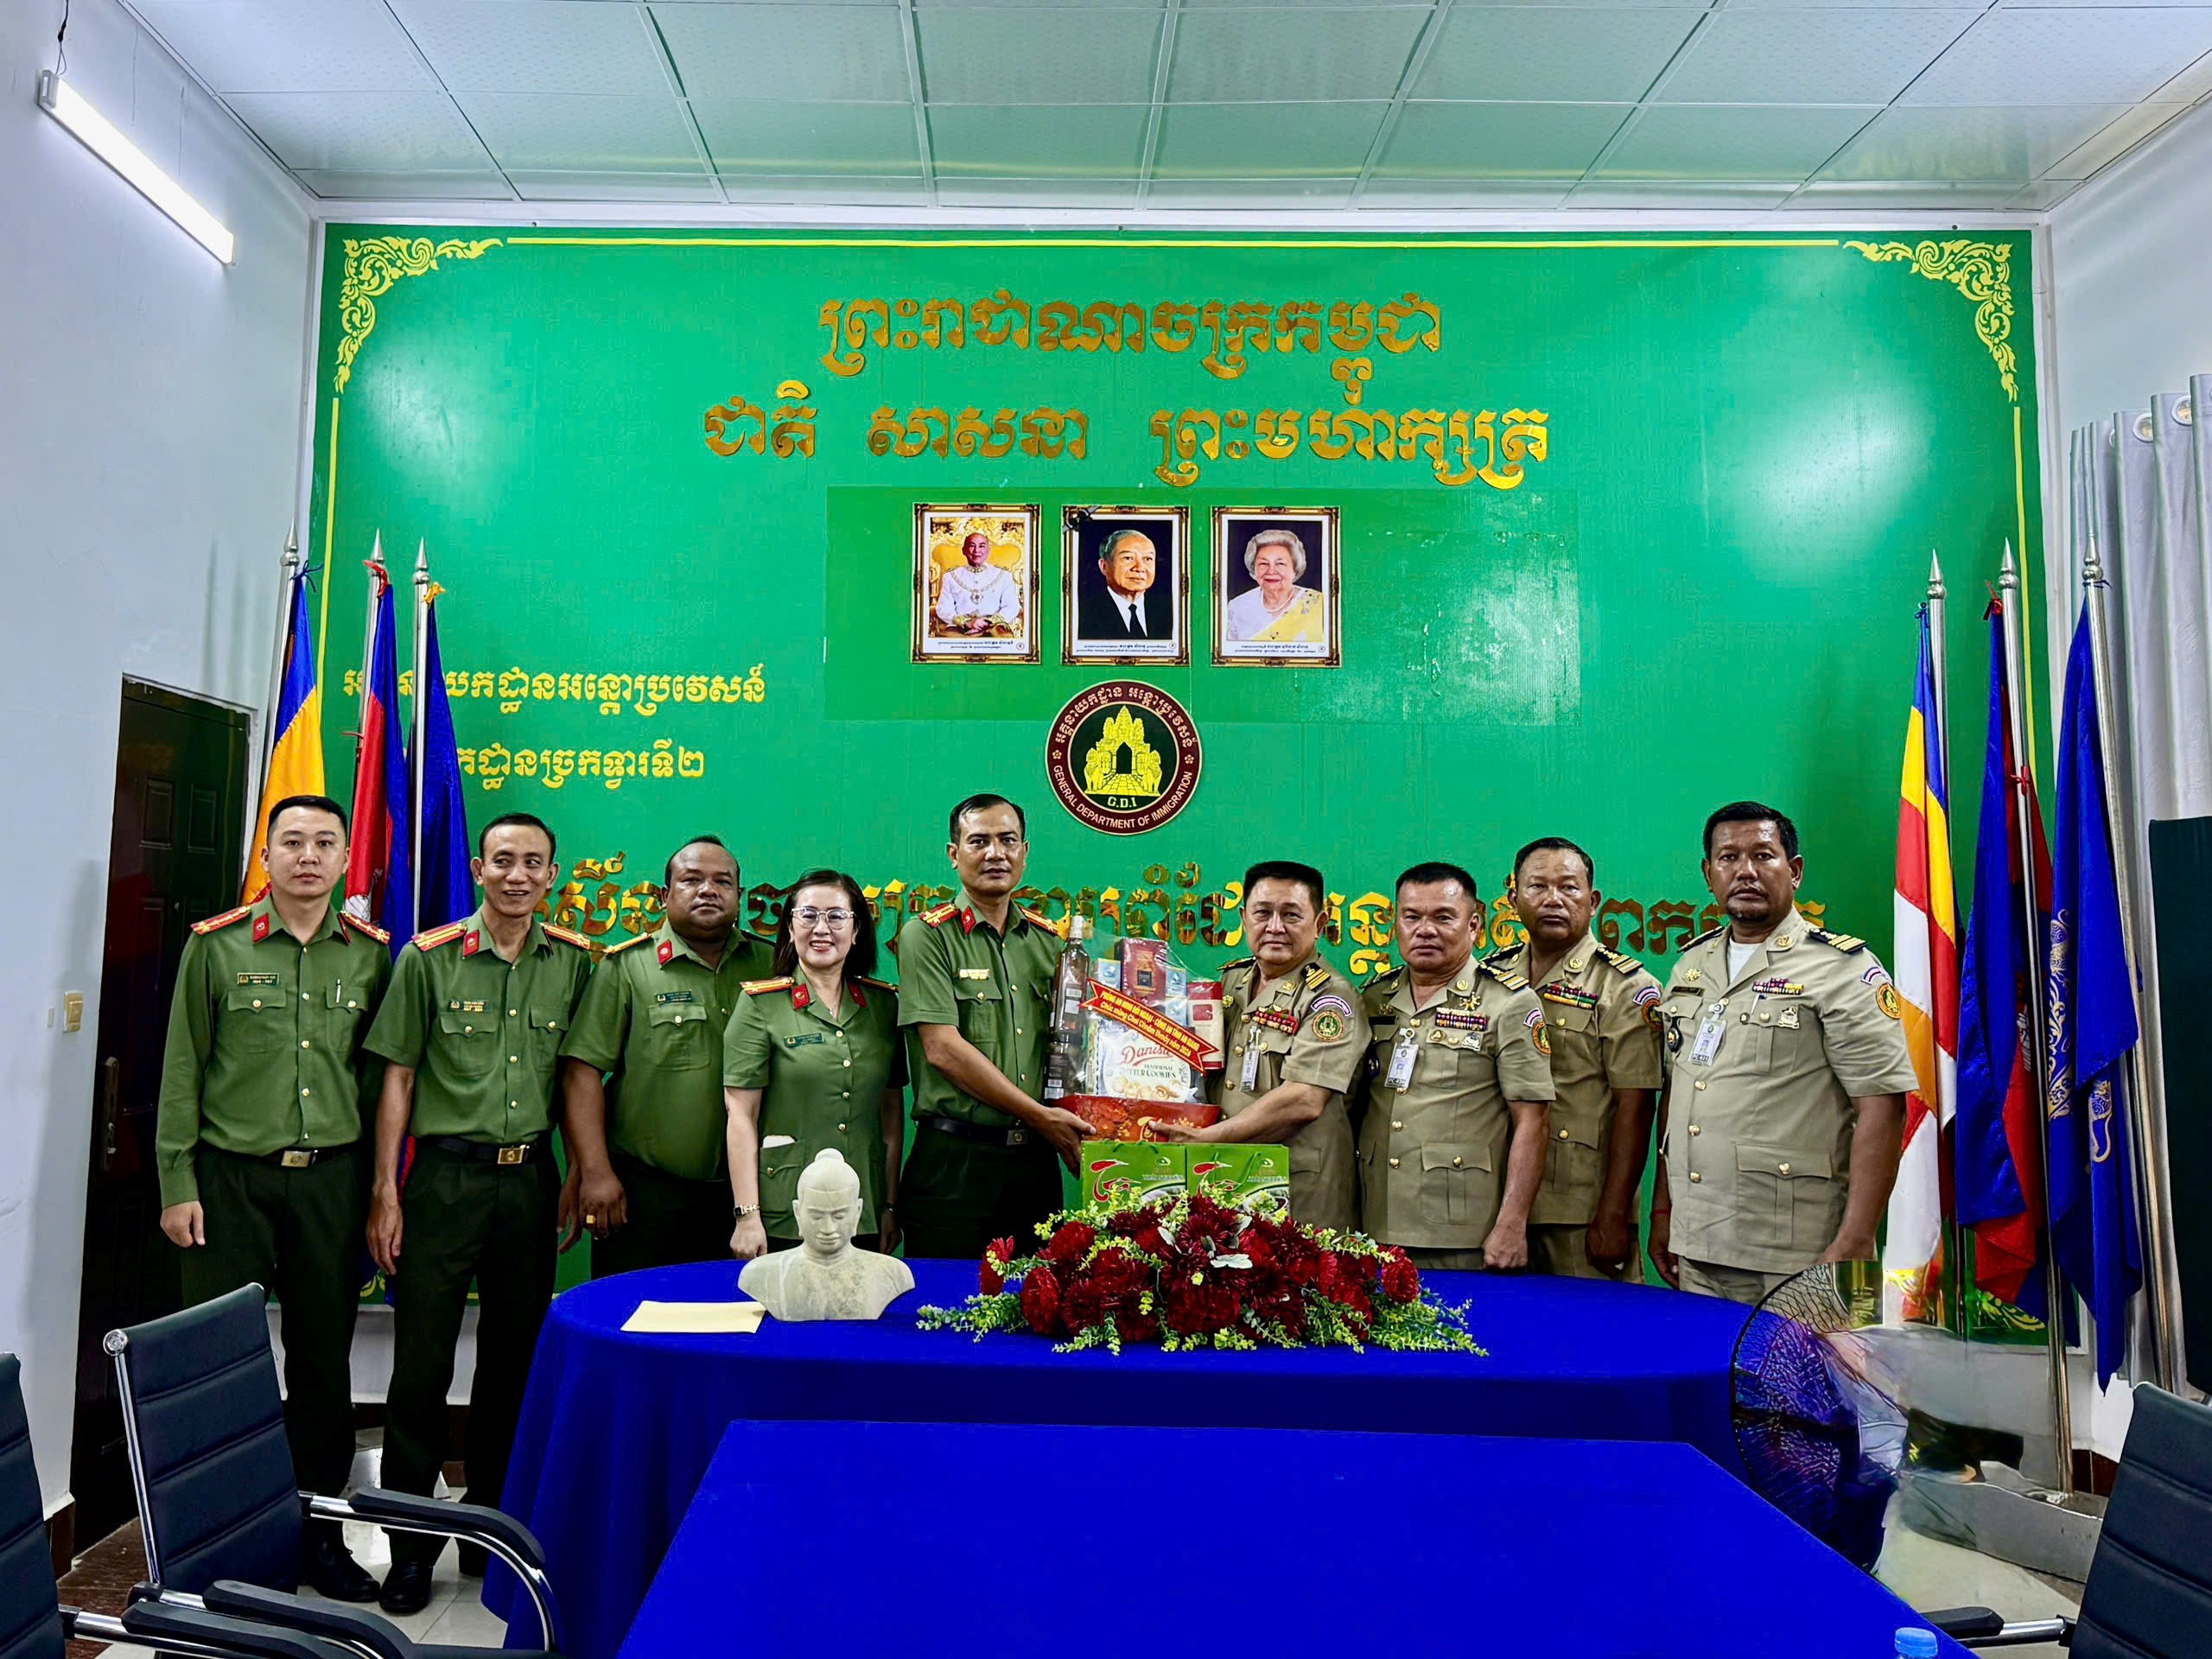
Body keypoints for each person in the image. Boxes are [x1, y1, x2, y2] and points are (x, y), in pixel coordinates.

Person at [152, 794, 391, 1600]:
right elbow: (182, 1069)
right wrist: (177, 1183)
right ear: (267, 855)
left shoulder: (370, 955)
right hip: (229, 1184)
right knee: (219, 1361)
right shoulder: (216, 948)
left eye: (325, 842)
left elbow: (377, 1083)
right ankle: (221, 1544)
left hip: (330, 1183)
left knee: (323, 1363)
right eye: (292, 841)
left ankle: (319, 1539)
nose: (308, 856)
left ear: (345, 858)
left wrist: (377, 1190)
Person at [362, 812, 594, 1613]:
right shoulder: (427, 959)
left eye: (533, 862)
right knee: (421, 1369)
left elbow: (577, 1076)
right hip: (443, 1184)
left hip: (528, 1183)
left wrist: (578, 1168)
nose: (517, 875)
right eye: (503, 861)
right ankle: (410, 1548)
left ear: (552, 874)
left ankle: (487, 1535)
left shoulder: (573, 963)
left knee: (512, 1368)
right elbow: (397, 1077)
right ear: (478, 868)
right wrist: (386, 1190)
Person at [1650, 802, 1916, 1306]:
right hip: (1699, 1241)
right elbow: (1679, 1096)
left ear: (1794, 871)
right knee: (1709, 1361)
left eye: (1762, 855)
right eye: (1728, 857)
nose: (1745, 871)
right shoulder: (1691, 966)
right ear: (1709, 875)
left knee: (1809, 1363)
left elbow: (1883, 1107)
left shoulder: (1841, 968)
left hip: (1801, 1249)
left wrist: (1857, 1238)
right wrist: (1664, 1212)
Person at [556, 836, 773, 1276]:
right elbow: (582, 1072)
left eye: (722, 882)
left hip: (752, 1195)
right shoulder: (627, 967)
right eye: (691, 880)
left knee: (739, 1315)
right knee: (634, 1312)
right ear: (663, 894)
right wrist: (595, 1171)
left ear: (740, 896)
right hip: (645, 1192)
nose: (708, 890)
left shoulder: (772, 965)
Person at [894, 794, 1089, 1259]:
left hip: (1034, 1164)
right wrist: (1041, 1116)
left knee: (1038, 1297)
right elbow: (942, 1049)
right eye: (979, 841)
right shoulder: (927, 936)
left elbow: (1077, 1048)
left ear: (1025, 851)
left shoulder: (1050, 944)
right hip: (956, 1162)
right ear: (954, 853)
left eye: (1008, 840)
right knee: (946, 1299)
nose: (995, 853)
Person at [1355, 861, 1553, 1269]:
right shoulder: (1374, 998)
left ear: (1474, 925)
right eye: (1411, 917)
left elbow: (1533, 1121)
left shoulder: (1509, 1003)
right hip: (1376, 1220)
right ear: (1396, 924)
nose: (1425, 930)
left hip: (1463, 1229)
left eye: (1443, 918)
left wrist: (1512, 1223)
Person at [1490, 837, 1665, 1280]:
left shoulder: (1624, 987)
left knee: (1593, 1322)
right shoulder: (1491, 978)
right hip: (1493, 1202)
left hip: (1580, 1208)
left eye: (1569, 887)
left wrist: (1614, 1213)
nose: (1553, 899)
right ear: (1513, 899)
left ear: (1593, 901)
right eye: (1537, 887)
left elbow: (1636, 1107)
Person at [1159, 861, 1367, 1231]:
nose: (1275, 927)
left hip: (1298, 1194)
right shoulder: (1230, 983)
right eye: (1263, 913)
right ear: (1243, 918)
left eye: (1291, 915)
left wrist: (1205, 1140)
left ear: (1319, 924)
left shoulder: (1331, 997)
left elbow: (1304, 1100)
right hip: (1224, 1181)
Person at [723, 870, 905, 1257]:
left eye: (836, 916)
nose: (822, 929)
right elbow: (740, 1114)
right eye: (808, 915)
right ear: (790, 928)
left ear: (856, 931)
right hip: (786, 1208)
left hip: (862, 1208)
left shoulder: (884, 1006)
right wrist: (747, 1216)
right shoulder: (760, 1005)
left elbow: (891, 1115)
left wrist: (889, 1206)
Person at [737, 1149, 916, 1321]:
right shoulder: (761, 1274)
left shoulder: (892, 1274)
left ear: (858, 1211)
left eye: (839, 1216)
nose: (828, 1228)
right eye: (816, 1216)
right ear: (798, 1212)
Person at [1224, 528, 1325, 644]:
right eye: (1263, 563)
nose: (1271, 571)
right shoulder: (1237, 607)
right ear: (1253, 569)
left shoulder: (1319, 604)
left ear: (1295, 570)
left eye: (1280, 563)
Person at [1077, 528, 1170, 642]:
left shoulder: (1170, 611)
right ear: (1104, 566)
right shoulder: (1082, 614)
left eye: (1147, 559)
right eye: (1128, 558)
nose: (1139, 568)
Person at [934, 531, 1022, 636]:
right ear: (964, 550)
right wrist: (966, 622)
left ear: (988, 550)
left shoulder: (1004, 575)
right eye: (972, 546)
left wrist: (989, 622)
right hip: (959, 629)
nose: (977, 551)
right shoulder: (950, 576)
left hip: (994, 628)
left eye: (982, 546)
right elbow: (943, 608)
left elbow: (1012, 606)